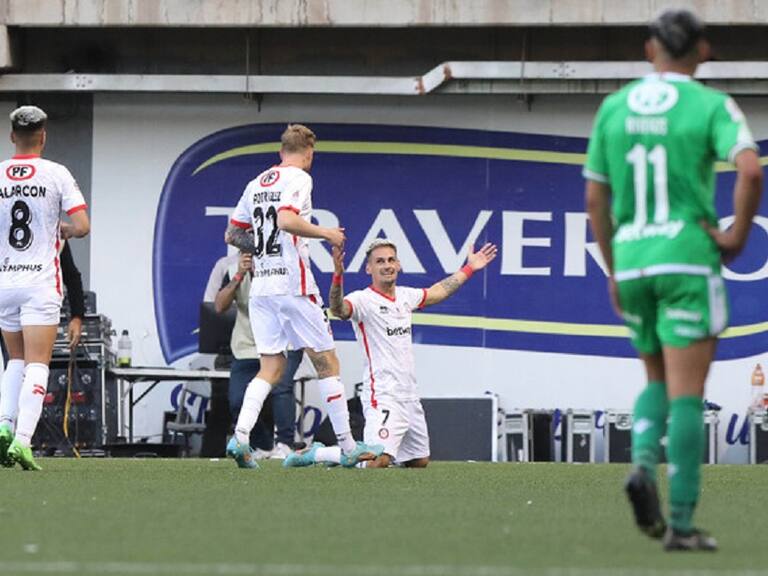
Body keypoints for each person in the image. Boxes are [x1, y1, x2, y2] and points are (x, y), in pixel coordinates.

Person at [584, 9, 762, 551]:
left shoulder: (614, 107)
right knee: (687, 394)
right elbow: (750, 170)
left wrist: (615, 268)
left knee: (656, 381)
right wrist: (736, 237)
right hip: (685, 258)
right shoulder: (710, 105)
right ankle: (681, 523)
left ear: (649, 50)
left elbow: (595, 198)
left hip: (634, 260)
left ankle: (642, 464)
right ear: (703, 50)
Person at [223, 123, 374, 468]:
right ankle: (349, 446)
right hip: (293, 285)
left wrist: (264, 251)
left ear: (281, 151)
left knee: (271, 367)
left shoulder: (256, 183)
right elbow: (286, 220)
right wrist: (327, 233)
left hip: (262, 288)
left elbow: (232, 234)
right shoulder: (300, 178)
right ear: (309, 154)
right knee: (327, 362)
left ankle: (240, 438)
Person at [283, 238, 497, 469]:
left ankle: (349, 460)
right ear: (369, 268)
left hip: (409, 395)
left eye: (391, 260)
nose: (387, 265)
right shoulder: (362, 300)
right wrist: (337, 276)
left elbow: (438, 292)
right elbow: (338, 309)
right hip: (383, 394)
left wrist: (469, 268)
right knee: (377, 461)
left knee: (418, 461)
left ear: (398, 264)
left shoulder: (406, 296)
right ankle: (319, 453)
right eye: (380, 261)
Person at [0, 105, 90, 471]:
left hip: (5, 280)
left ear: (12, 137)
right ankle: (23, 441)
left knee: (15, 360)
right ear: (44, 136)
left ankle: (4, 426)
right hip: (40, 282)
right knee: (38, 362)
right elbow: (82, 225)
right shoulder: (56, 173)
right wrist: (63, 229)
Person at [213, 250, 301, 458]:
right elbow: (219, 306)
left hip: (283, 341)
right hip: (247, 345)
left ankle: (285, 444)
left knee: (281, 388)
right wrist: (239, 275)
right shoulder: (233, 270)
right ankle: (264, 446)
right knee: (237, 400)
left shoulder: (285, 266)